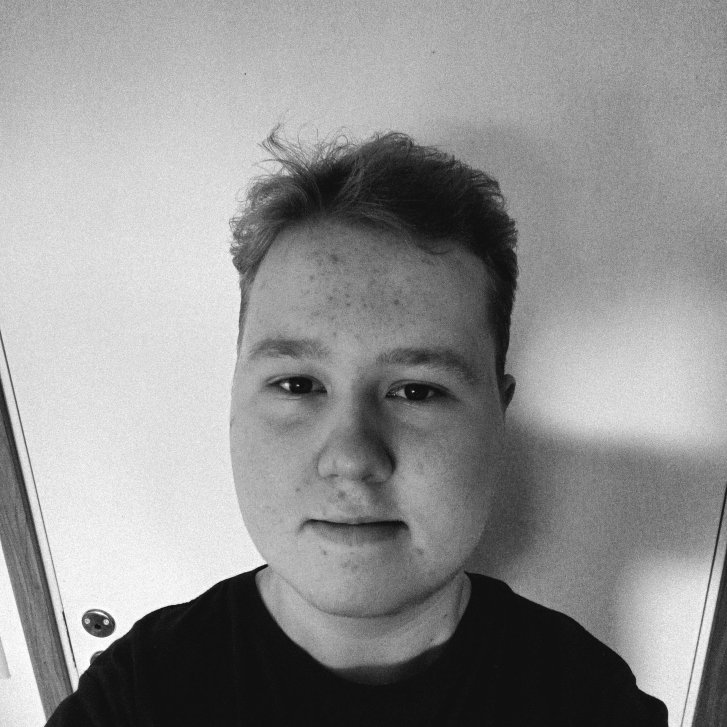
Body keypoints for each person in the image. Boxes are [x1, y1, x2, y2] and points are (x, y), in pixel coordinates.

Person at [46, 129, 668, 726]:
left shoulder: (587, 699)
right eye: (298, 384)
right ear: (234, 402)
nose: (350, 457)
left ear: (498, 417)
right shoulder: (137, 696)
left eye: (417, 391)